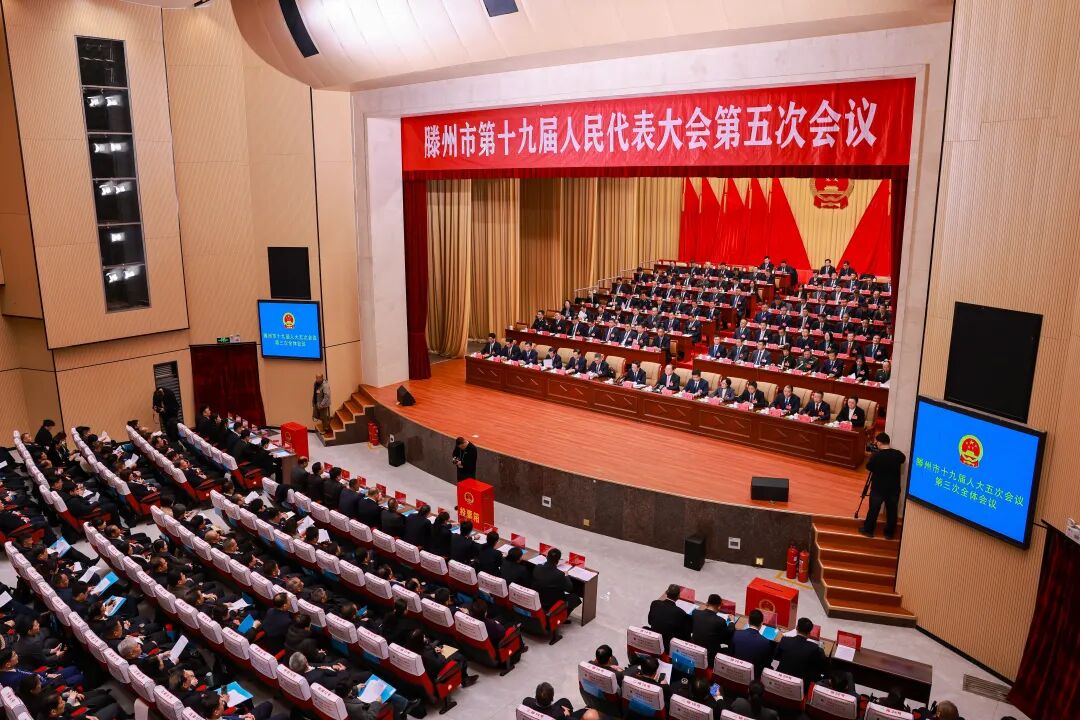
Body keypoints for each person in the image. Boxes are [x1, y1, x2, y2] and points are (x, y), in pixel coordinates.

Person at [860, 433, 906, 539]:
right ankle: (889, 534)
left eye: (876, 442)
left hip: (878, 489)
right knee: (892, 511)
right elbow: (903, 459)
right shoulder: (897, 454)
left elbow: (869, 467)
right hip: (893, 489)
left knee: (874, 509)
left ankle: (868, 530)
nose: (876, 444)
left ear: (880, 443)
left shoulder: (876, 456)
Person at [775, 617, 826, 687]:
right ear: (809, 633)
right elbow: (818, 667)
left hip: (779, 679)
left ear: (796, 627)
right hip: (800, 684)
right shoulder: (814, 648)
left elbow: (777, 656)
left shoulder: (785, 640)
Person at [532, 548, 580, 613]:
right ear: (558, 561)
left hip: (538, 599)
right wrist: (566, 576)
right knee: (575, 598)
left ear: (547, 557)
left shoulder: (537, 567)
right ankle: (560, 615)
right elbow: (569, 588)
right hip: (551, 603)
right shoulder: (560, 575)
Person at [730, 610, 774, 678]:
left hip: (735, 672)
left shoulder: (737, 634)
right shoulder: (765, 642)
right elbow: (766, 664)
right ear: (761, 623)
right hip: (753, 677)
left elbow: (730, 653)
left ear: (748, 621)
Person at [691, 594, 733, 665]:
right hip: (710, 656)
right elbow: (728, 635)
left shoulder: (695, 613)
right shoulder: (720, 621)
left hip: (695, 650)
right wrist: (732, 622)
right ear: (719, 607)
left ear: (707, 603)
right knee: (728, 646)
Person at [647, 584, 691, 650]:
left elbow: (650, 622)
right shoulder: (681, 613)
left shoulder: (655, 603)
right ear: (678, 596)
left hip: (654, 641)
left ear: (666, 592)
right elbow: (686, 636)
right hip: (668, 647)